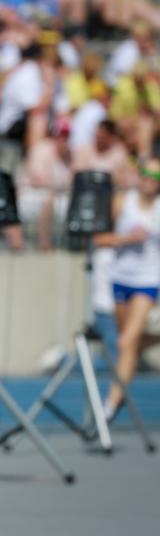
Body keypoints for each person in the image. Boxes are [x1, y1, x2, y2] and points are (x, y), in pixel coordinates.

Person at [96, 157, 160, 420]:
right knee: (127, 346)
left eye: (156, 176)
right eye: (146, 173)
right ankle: (120, 394)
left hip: (148, 280)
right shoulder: (123, 202)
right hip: (120, 277)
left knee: (127, 341)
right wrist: (126, 239)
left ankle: (110, 404)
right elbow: (99, 238)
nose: (149, 180)